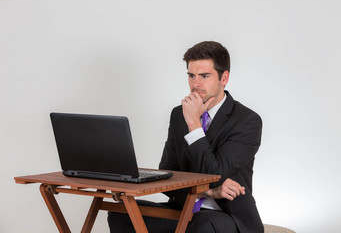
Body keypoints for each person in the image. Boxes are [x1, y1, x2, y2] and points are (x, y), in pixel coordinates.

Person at [108, 41, 264, 233]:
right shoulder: (178, 114)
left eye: (204, 76)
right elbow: (167, 175)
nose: (195, 84)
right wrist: (207, 191)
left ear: (224, 78)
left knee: (201, 224)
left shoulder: (247, 120)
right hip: (185, 209)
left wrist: (194, 124)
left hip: (229, 217)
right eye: (191, 76)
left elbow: (216, 175)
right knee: (121, 213)